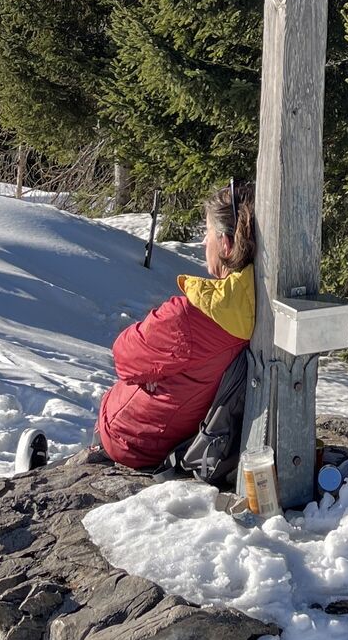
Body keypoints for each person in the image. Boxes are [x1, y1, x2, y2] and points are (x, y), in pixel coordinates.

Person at [94, 180, 255, 469]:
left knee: (110, 414)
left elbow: (123, 356)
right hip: (194, 433)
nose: (204, 242)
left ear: (226, 244)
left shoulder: (190, 317)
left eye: (207, 232)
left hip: (135, 440)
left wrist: (153, 367)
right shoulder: (257, 305)